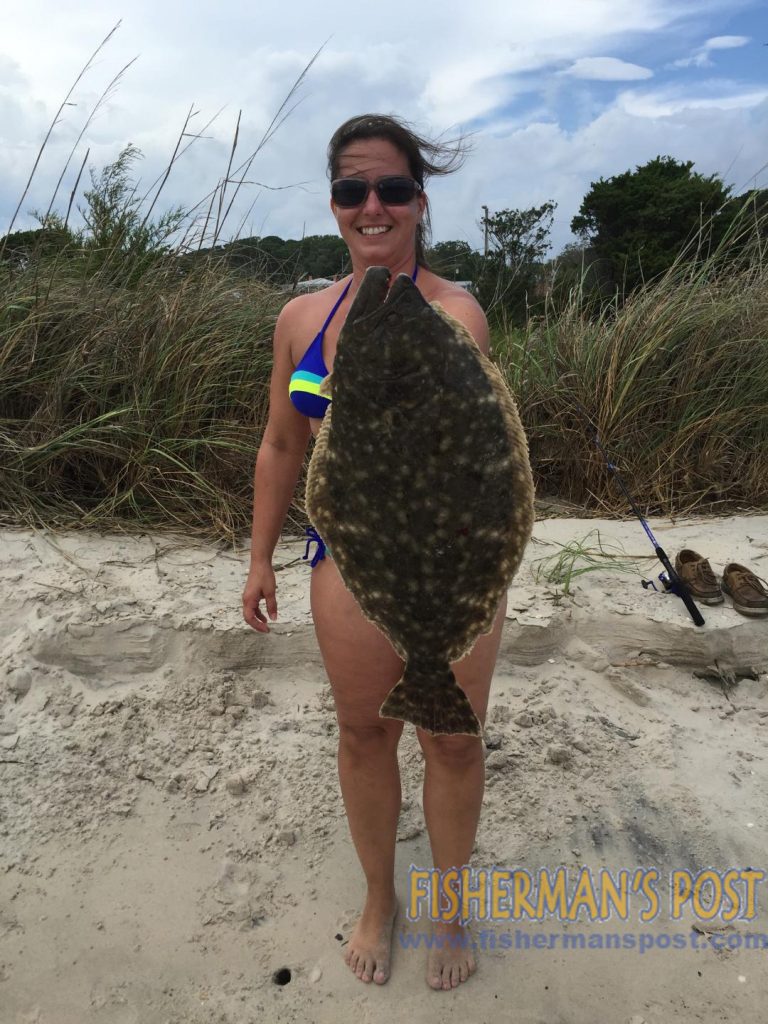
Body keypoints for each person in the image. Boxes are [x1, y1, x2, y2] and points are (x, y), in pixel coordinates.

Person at [242, 114, 508, 991]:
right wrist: (258, 561)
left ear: (419, 203)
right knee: (364, 731)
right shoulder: (300, 319)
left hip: (451, 561)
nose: (373, 206)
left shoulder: (455, 313)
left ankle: (451, 905)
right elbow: (284, 447)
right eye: (354, 190)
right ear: (335, 205)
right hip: (346, 560)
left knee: (452, 742)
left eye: (392, 189)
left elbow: (481, 459)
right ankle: (377, 899)